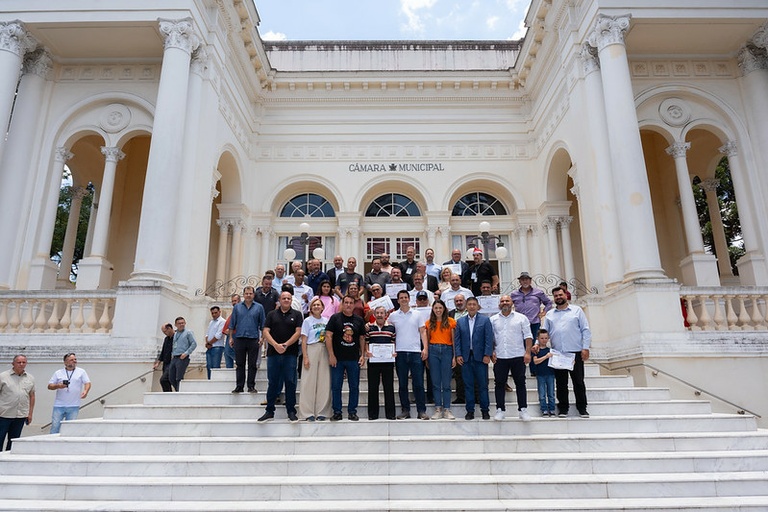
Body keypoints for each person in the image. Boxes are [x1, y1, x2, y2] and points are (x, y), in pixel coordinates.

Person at [541, 286, 591, 418]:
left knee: (578, 381)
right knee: (561, 383)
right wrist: (537, 344)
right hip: (558, 353)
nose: (558, 297)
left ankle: (582, 408)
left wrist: (585, 348)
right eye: (556, 296)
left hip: (575, 352)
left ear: (566, 295)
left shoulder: (577, 310)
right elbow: (544, 332)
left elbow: (585, 330)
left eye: (560, 295)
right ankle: (563, 408)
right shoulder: (550, 314)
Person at [258, 291, 304, 422]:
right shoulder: (271, 314)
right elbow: (266, 331)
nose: (286, 300)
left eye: (288, 298)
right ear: (279, 300)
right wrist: (275, 345)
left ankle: (291, 411)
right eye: (284, 298)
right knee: (273, 382)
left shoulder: (297, 314)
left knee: (290, 382)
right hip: (273, 354)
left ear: (291, 300)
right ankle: (269, 411)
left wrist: (285, 345)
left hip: (290, 354)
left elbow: (298, 332)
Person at [387, 289, 429, 420]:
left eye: (406, 297)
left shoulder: (417, 314)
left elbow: (423, 332)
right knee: (402, 384)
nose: (404, 299)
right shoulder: (393, 316)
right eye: (401, 297)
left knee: (419, 384)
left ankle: (421, 411)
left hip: (416, 352)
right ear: (398, 300)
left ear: (409, 299)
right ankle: (405, 410)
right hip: (400, 353)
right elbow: (388, 330)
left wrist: (425, 348)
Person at [490, 295, 532, 421]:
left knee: (520, 383)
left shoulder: (521, 318)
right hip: (500, 356)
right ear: (499, 304)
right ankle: (500, 410)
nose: (505, 303)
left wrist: (528, 352)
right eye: (502, 301)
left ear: (512, 303)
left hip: (517, 355)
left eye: (507, 301)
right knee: (499, 383)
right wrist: (491, 351)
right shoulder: (493, 319)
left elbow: (528, 336)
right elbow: (490, 337)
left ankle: (523, 410)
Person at [325, 295, 366, 421]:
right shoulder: (335, 318)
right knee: (336, 386)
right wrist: (331, 355)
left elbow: (362, 338)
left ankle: (352, 411)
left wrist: (363, 355)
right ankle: (337, 412)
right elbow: (328, 336)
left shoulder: (359, 320)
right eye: (346, 302)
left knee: (354, 386)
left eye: (351, 303)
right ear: (342, 304)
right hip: (337, 358)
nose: (348, 305)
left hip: (353, 358)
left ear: (354, 305)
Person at [454, 297, 493, 420]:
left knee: (482, 385)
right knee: (468, 385)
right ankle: (470, 410)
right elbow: (457, 340)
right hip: (466, 357)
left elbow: (489, 338)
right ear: (466, 306)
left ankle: (485, 410)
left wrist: (487, 354)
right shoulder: (460, 321)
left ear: (477, 306)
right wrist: (458, 354)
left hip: (480, 357)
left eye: (474, 304)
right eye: (469, 304)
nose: (471, 306)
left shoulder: (485, 320)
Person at [423, 299, 456, 420]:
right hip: (433, 350)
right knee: (436, 382)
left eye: (440, 308)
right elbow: (427, 340)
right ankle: (438, 408)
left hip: (447, 350)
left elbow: (454, 340)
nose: (438, 310)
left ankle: (447, 409)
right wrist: (427, 356)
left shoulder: (451, 322)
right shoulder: (428, 323)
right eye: (436, 308)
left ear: (444, 309)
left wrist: (454, 356)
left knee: (446, 382)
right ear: (432, 309)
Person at [299, 298, 332, 421]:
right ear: (311, 308)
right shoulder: (307, 321)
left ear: (322, 307)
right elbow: (304, 340)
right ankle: (307, 413)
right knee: (309, 381)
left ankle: (322, 411)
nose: (317, 307)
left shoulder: (327, 321)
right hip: (311, 348)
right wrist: (305, 357)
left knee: (324, 381)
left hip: (324, 349)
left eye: (319, 305)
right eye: (314, 305)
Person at [228, 286, 265, 394]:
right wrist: (231, 337)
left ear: (254, 295)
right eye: (246, 293)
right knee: (240, 364)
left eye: (250, 293)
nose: (248, 295)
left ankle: (251, 386)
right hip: (239, 338)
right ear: (243, 295)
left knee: (252, 364)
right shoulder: (237, 307)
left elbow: (263, 324)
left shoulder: (259, 307)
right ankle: (239, 386)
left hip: (253, 339)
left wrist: (262, 338)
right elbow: (232, 324)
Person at [365, 305, 396, 420]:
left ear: (386, 315)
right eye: (377, 313)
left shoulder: (391, 328)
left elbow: (393, 342)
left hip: (388, 361)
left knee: (389, 387)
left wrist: (394, 352)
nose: (379, 315)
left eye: (381, 313)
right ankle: (373, 414)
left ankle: (391, 414)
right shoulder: (369, 328)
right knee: (373, 387)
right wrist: (367, 352)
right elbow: (366, 342)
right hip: (373, 361)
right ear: (374, 315)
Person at [47, 352, 91, 434]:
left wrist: (85, 391)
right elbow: (49, 386)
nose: (74, 361)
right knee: (55, 426)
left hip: (74, 405)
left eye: (75, 359)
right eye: (71, 360)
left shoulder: (81, 372)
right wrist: (58, 386)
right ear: (65, 362)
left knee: (70, 428)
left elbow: (87, 382)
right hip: (59, 405)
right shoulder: (58, 373)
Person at [0, 355, 34, 451]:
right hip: (4, 414)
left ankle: (8, 459)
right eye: (19, 362)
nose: (21, 364)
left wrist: (30, 413)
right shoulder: (3, 376)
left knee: (13, 441)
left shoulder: (30, 378)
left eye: (24, 362)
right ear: (13, 363)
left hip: (20, 415)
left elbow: (32, 396)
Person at [510, 271, 552, 346]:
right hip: (519, 323)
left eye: (526, 279)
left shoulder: (538, 292)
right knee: (520, 344)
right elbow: (508, 305)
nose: (525, 281)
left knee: (534, 345)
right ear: (519, 281)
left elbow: (548, 303)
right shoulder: (514, 294)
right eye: (522, 279)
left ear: (530, 281)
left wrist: (544, 312)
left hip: (534, 322)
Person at [449, 293, 468, 405]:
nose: (459, 303)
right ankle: (460, 396)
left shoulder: (470, 312)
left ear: (464, 301)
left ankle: (476, 396)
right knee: (458, 373)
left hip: (470, 345)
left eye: (461, 300)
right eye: (457, 301)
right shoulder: (450, 314)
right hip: (456, 345)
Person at [168, 316, 196, 392]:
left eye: (183, 323)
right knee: (171, 377)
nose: (181, 325)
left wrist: (186, 353)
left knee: (179, 377)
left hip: (182, 357)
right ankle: (178, 390)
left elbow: (194, 344)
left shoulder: (188, 332)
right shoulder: (175, 334)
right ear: (176, 325)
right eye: (179, 323)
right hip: (175, 357)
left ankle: (179, 392)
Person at [532, 329, 555, 417]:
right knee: (542, 394)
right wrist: (546, 357)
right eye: (542, 338)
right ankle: (544, 409)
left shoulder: (551, 350)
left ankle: (552, 409)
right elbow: (535, 361)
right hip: (540, 374)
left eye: (546, 338)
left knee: (551, 393)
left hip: (550, 374)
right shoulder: (536, 350)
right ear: (538, 338)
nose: (544, 340)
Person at [204, 306, 226, 379]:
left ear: (219, 312)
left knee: (215, 367)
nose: (214, 314)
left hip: (217, 347)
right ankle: (210, 381)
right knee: (209, 366)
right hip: (210, 347)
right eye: (212, 313)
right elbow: (207, 334)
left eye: (215, 313)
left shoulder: (222, 321)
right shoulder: (211, 322)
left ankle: (215, 381)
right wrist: (207, 343)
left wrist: (209, 343)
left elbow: (218, 335)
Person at [153, 323, 174, 392]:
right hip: (166, 363)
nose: (164, 333)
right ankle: (168, 394)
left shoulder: (177, 337)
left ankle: (169, 395)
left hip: (173, 362)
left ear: (169, 329)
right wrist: (158, 363)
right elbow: (163, 351)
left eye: (165, 331)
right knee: (166, 381)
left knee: (164, 380)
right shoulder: (166, 339)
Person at [222, 294, 240, 369]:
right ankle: (229, 369)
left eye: (235, 301)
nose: (234, 303)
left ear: (239, 301)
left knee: (229, 351)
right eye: (232, 301)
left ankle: (241, 361)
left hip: (235, 334)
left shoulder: (240, 311)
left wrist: (230, 331)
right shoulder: (234, 311)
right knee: (226, 354)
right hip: (229, 335)